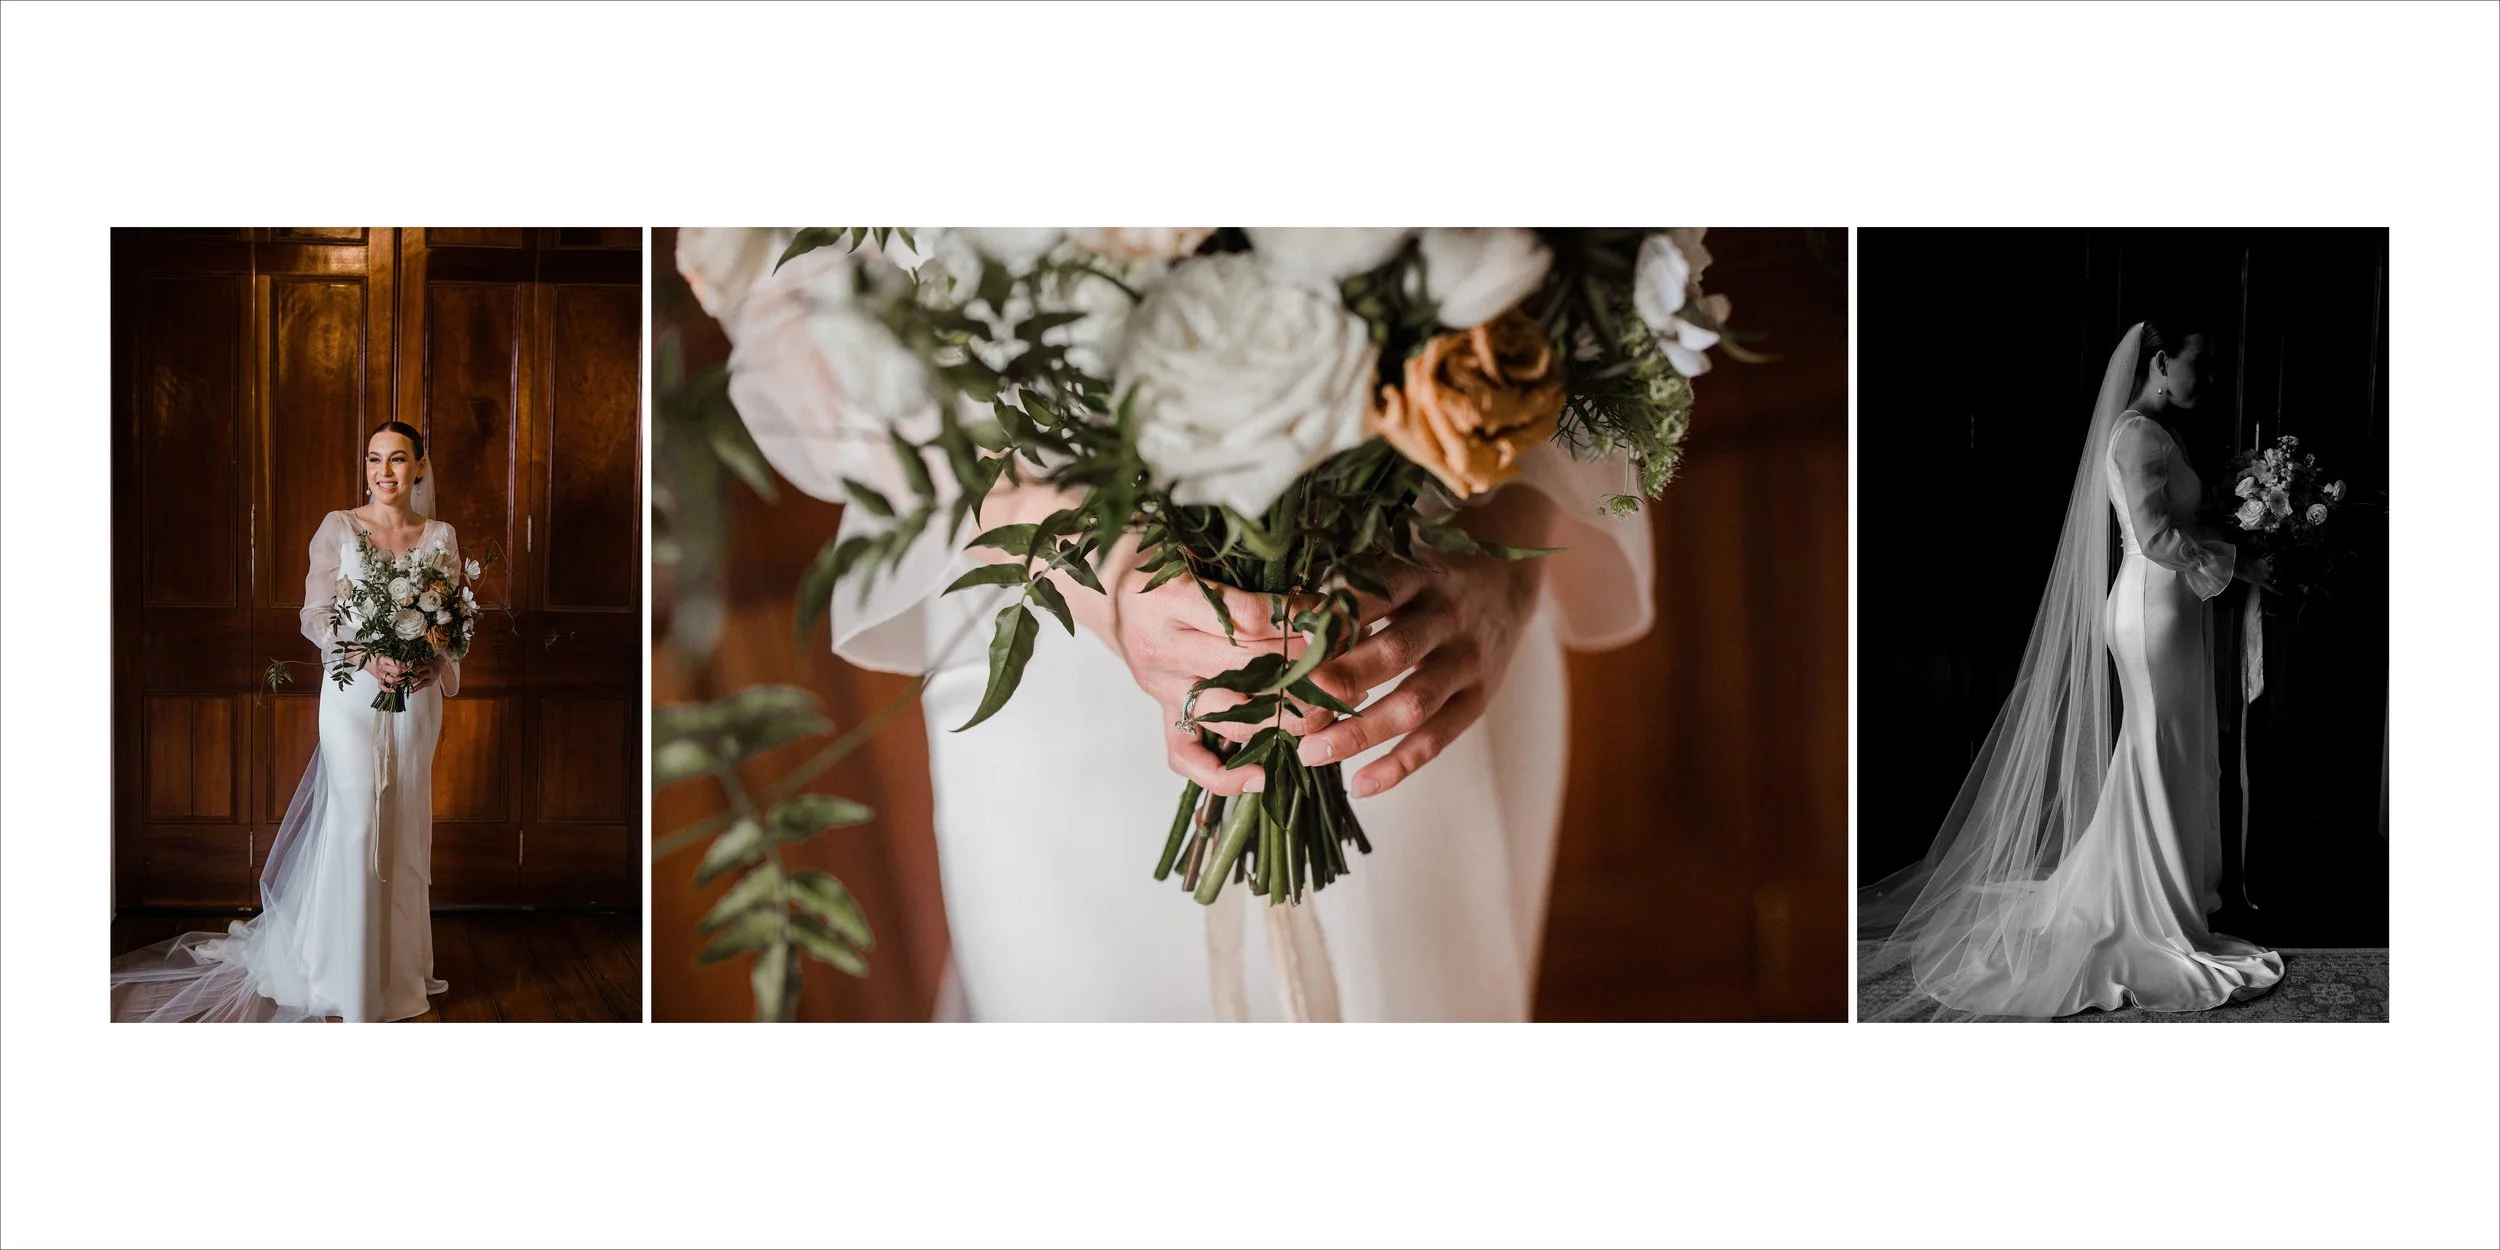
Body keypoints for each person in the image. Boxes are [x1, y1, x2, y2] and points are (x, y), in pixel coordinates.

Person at [691, 230, 1656, 1021]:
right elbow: (803, 297)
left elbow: (1605, 260)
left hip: (1416, 607)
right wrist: (1097, 561)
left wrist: (1506, 538)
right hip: (1065, 630)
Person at [1859, 321, 2283, 1020]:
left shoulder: (2158, 433)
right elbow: (2155, 539)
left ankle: (2159, 888)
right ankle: (2150, 906)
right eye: (2199, 365)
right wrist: (2243, 564)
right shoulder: (2136, 435)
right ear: (2159, 361)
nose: (2208, 380)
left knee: (2163, 755)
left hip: (2170, 609)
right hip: (2152, 610)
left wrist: (2241, 531)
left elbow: (2186, 522)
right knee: (2158, 751)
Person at [111, 422, 462, 1022]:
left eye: (398, 459)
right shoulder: (339, 527)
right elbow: (316, 616)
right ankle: (341, 978)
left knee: (404, 826)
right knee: (354, 825)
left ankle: (397, 974)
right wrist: (364, 652)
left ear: (420, 467)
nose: (384, 472)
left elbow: (450, 626)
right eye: (375, 459)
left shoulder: (441, 537)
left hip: (414, 700)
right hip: (353, 697)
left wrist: (433, 664)